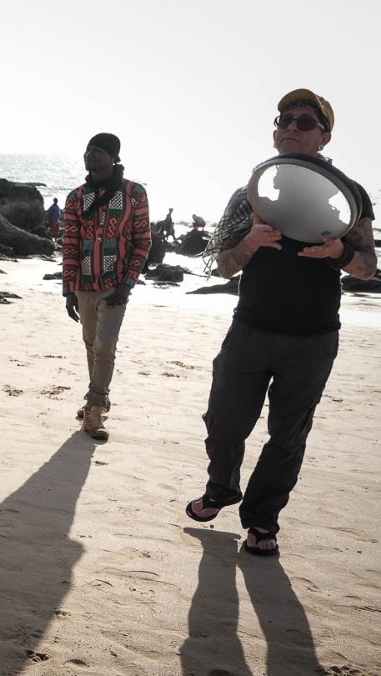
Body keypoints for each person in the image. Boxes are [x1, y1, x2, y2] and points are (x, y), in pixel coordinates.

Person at [185, 89, 376, 556]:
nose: (290, 127)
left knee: (287, 437)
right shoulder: (250, 194)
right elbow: (223, 265)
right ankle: (221, 489)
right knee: (224, 423)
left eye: (304, 122)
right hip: (249, 329)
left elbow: (369, 266)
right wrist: (248, 243)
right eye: (284, 120)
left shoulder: (350, 196)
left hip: (312, 339)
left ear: (324, 137)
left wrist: (340, 253)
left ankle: (262, 522)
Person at [61, 132, 151, 440]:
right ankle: (94, 397)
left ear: (113, 157)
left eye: (97, 150)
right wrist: (68, 289)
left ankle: (95, 411)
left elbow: (143, 242)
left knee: (104, 348)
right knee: (90, 345)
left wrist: (128, 284)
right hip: (84, 285)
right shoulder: (75, 198)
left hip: (115, 286)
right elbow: (70, 245)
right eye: (87, 150)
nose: (89, 155)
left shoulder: (133, 193)